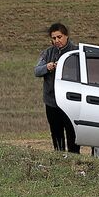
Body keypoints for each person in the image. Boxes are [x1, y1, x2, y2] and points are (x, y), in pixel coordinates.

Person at [34, 22, 80, 153]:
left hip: (71, 101)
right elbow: (37, 71)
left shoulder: (75, 52)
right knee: (56, 132)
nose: (57, 41)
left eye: (59, 37)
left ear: (66, 36)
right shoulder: (48, 53)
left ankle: (74, 157)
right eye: (54, 38)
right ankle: (59, 158)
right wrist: (48, 67)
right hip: (52, 101)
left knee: (72, 133)